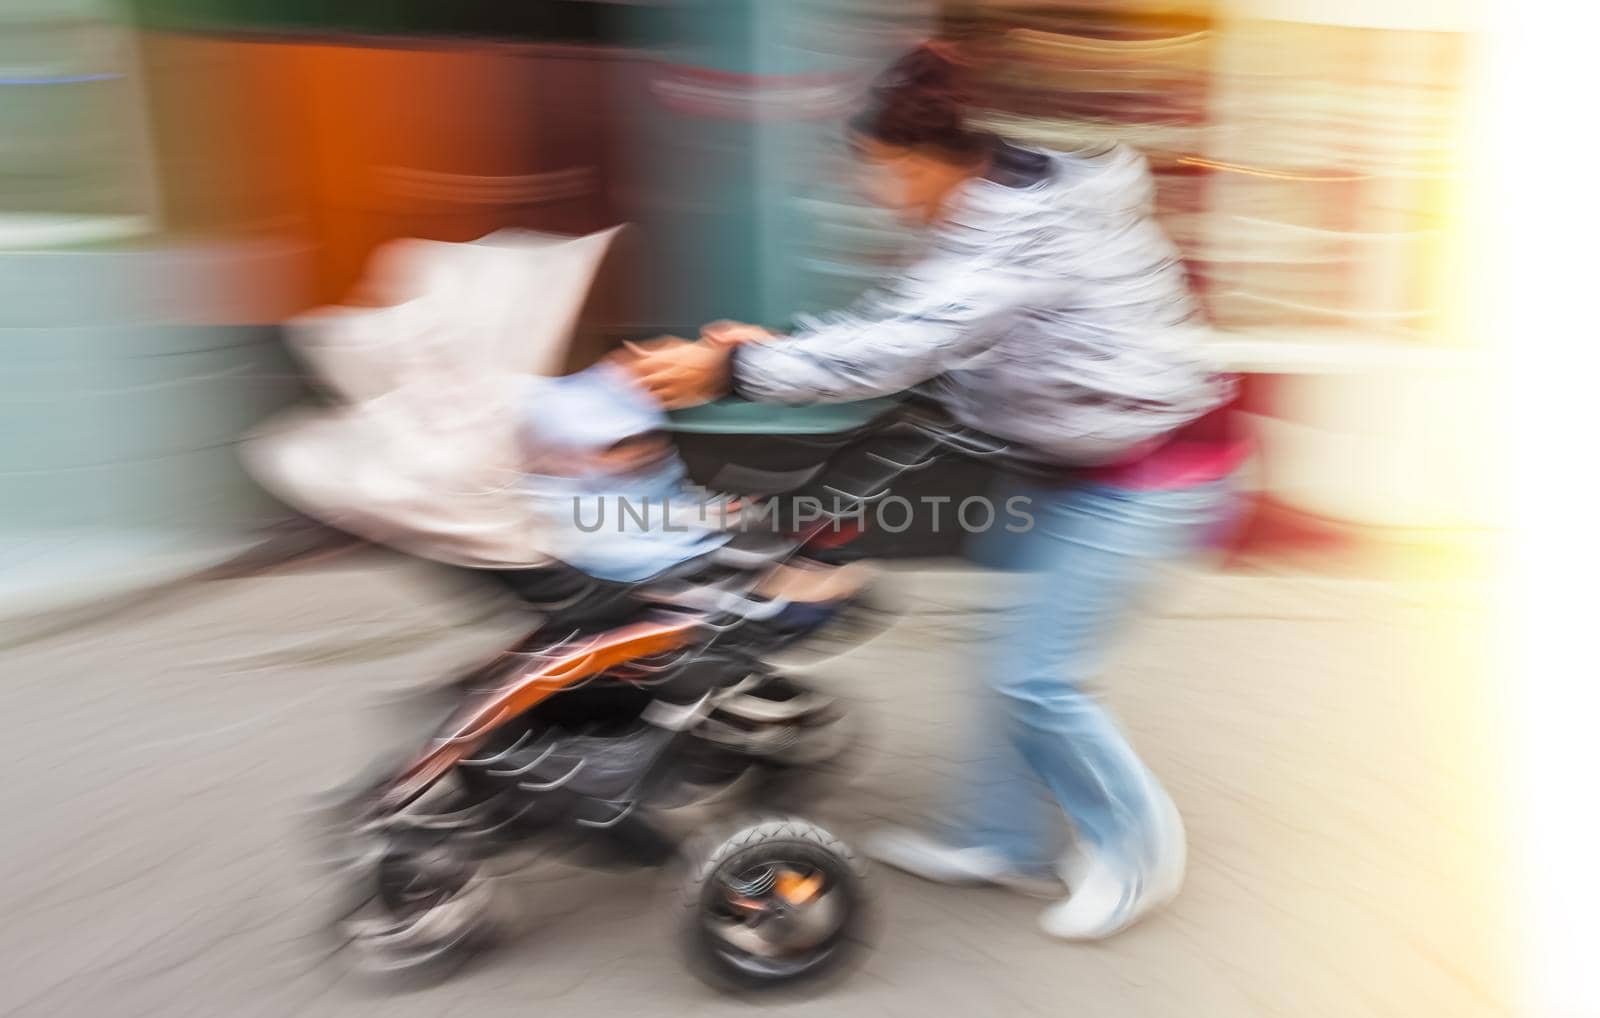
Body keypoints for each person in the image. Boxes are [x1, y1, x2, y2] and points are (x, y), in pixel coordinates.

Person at [620, 42, 1251, 940]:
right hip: (1072, 466)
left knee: (1038, 676)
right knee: (1015, 657)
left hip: (1160, 472)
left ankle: (1138, 851)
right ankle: (1001, 839)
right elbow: (911, 330)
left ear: (914, 160)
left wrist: (733, 367)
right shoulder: (986, 210)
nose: (874, 193)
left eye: (876, 173)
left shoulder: (1021, 229)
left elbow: (903, 345)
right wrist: (765, 353)